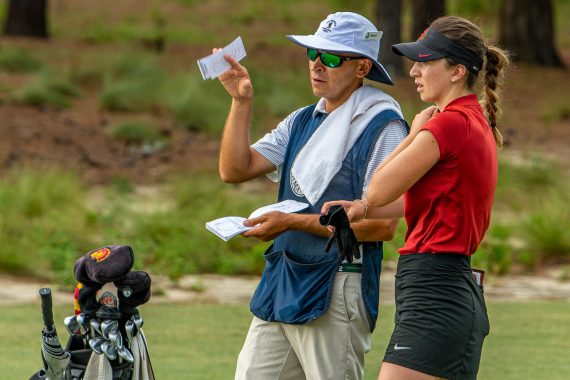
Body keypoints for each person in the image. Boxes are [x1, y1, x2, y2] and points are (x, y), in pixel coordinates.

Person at [215, 12, 408, 380]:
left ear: (362, 67)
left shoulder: (385, 125)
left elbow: (382, 226)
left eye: (332, 58)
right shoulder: (302, 119)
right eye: (313, 53)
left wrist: (290, 222)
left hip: (338, 284)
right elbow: (234, 170)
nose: (318, 65)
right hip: (282, 278)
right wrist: (241, 102)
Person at [322, 16, 510, 380]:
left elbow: (377, 188)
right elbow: (425, 200)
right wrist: (361, 209)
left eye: (425, 62)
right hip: (441, 287)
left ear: (456, 71)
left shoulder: (448, 122)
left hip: (437, 289)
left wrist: (415, 132)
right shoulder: (472, 120)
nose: (414, 71)